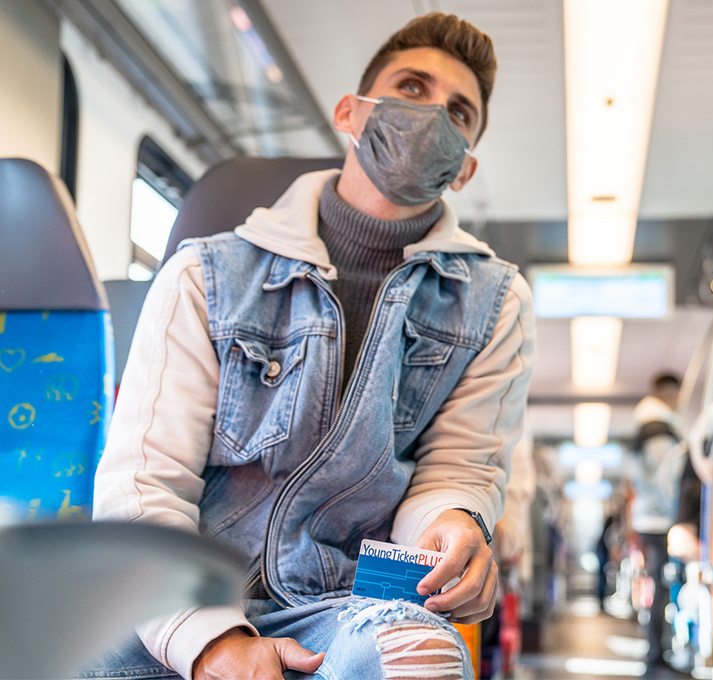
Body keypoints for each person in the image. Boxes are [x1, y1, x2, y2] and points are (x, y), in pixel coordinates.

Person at [82, 13, 535, 680]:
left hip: (344, 604)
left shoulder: (494, 303)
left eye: (458, 113)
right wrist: (213, 643)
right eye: (412, 87)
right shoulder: (204, 276)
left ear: (464, 169)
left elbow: (457, 471)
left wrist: (454, 526)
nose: (432, 116)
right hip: (178, 598)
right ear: (351, 113)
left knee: (422, 655)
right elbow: (144, 487)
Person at [624, 373, 686, 672]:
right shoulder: (659, 430)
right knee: (662, 587)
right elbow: (666, 480)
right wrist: (680, 514)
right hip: (660, 521)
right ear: (666, 392)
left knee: (657, 585)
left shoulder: (644, 427)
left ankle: (656, 647)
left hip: (647, 518)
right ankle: (656, 651)